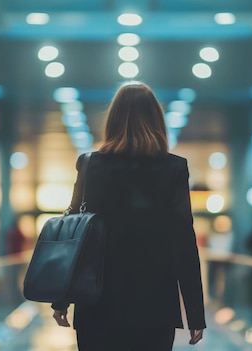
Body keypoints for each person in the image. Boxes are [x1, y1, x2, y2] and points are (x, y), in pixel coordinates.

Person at [51, 82, 206, 350]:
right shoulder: (173, 168)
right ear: (156, 121)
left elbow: (74, 237)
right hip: (155, 307)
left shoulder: (91, 165)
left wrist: (61, 300)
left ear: (113, 120)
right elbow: (184, 242)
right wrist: (195, 314)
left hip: (96, 303)